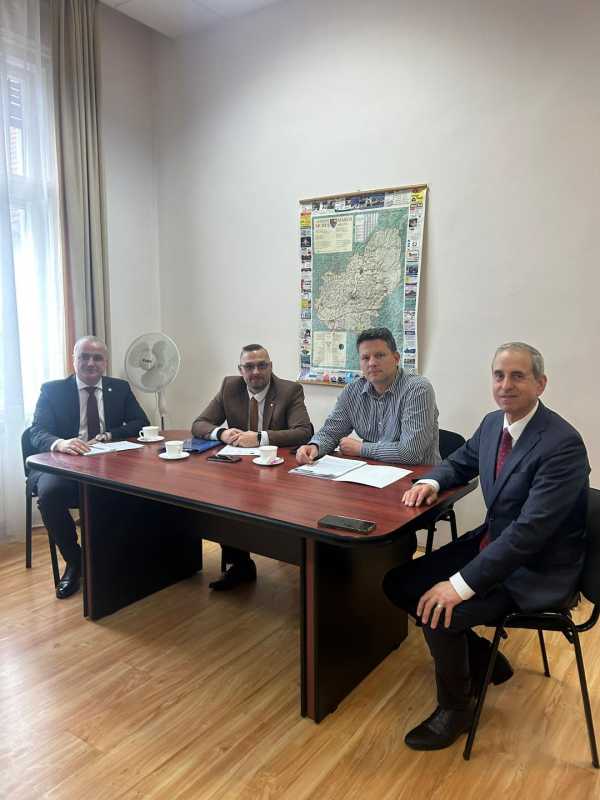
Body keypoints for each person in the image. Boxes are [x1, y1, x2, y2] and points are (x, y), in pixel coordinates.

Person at [382, 342, 590, 751]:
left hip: (534, 568)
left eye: (518, 376)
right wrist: (432, 481)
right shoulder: (494, 423)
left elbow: (528, 533)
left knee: (438, 610)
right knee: (398, 583)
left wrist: (458, 586)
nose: (505, 384)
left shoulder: (562, 444)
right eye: (499, 375)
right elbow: (460, 461)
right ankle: (483, 658)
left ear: (541, 384)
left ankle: (456, 709)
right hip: (494, 544)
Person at [29, 336, 149, 599]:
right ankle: (76, 562)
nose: (90, 363)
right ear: (74, 360)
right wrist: (61, 443)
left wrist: (109, 435)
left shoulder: (119, 388)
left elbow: (140, 421)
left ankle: (119, 557)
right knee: (50, 496)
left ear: (105, 362)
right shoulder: (52, 390)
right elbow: (36, 431)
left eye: (97, 358)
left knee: (142, 488)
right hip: (62, 464)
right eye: (84, 357)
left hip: (107, 463)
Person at [192, 343, 312, 590]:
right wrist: (222, 433)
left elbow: (303, 431)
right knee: (224, 503)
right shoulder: (229, 387)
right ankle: (239, 565)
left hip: (278, 473)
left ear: (270, 366)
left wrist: (259, 438)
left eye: (262, 365)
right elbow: (199, 424)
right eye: (249, 367)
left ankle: (299, 564)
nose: (256, 371)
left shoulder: (289, 390)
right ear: (240, 370)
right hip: (240, 471)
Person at [296, 327, 440, 467]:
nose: (372, 363)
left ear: (396, 358)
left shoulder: (417, 389)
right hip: (371, 473)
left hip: (418, 477)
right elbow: (331, 432)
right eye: (365, 358)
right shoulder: (352, 391)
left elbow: (411, 452)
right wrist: (314, 447)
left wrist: (361, 448)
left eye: (379, 356)